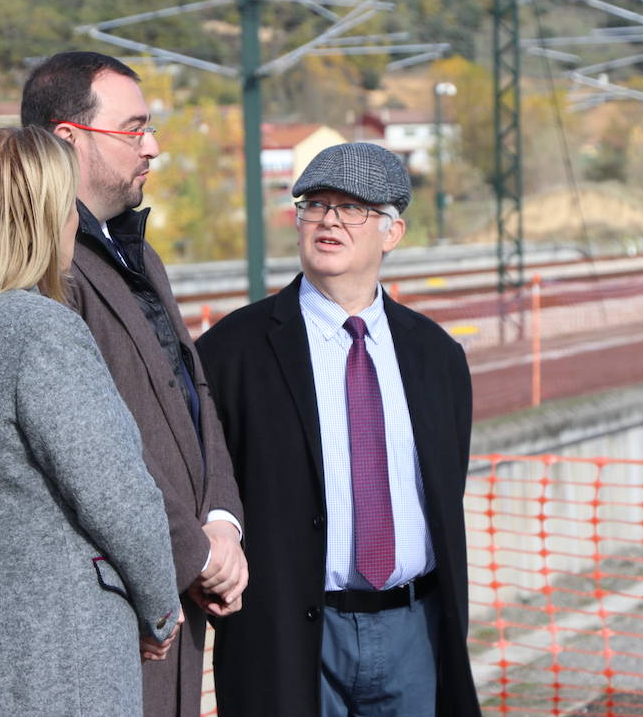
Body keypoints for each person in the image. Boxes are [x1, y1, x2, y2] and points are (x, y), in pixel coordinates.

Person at [196, 142, 480, 717]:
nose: (328, 219)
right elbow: (201, 478)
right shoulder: (231, 352)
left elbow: (448, 488)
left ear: (391, 232)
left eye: (352, 208)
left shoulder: (435, 357)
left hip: (414, 632)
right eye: (315, 204)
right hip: (290, 635)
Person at [0, 126, 181, 716]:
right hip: (63, 649)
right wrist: (160, 609)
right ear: (41, 219)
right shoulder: (43, 332)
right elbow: (118, 495)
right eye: (68, 208)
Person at [21, 50, 247, 717]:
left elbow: (193, 397)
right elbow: (90, 450)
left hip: (178, 584)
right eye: (134, 129)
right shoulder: (44, 267)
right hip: (117, 605)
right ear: (68, 139)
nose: (152, 147)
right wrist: (193, 552)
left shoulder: (140, 253)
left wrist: (223, 522)